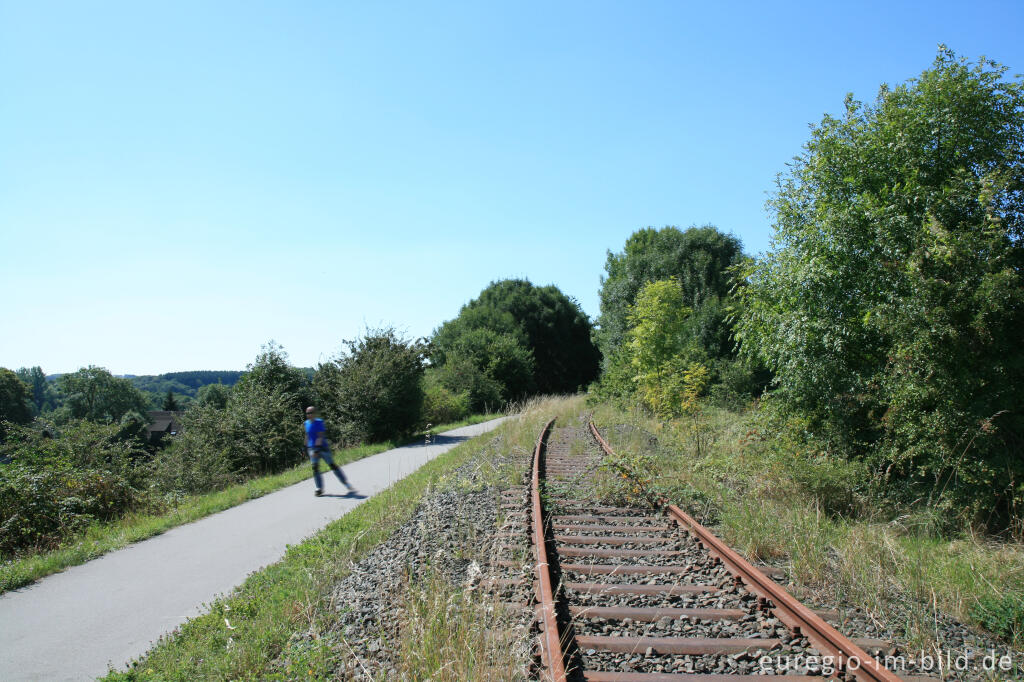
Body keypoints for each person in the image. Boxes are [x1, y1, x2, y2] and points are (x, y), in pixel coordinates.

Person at [304, 406, 355, 496]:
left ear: (315, 413)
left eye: (311, 413)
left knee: (332, 466)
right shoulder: (306, 423)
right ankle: (319, 488)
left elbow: (320, 436)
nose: (309, 415)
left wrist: (317, 449)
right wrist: (305, 447)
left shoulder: (319, 422)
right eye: (308, 413)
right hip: (311, 448)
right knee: (315, 468)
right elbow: (307, 436)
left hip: (322, 448)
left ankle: (346, 483)